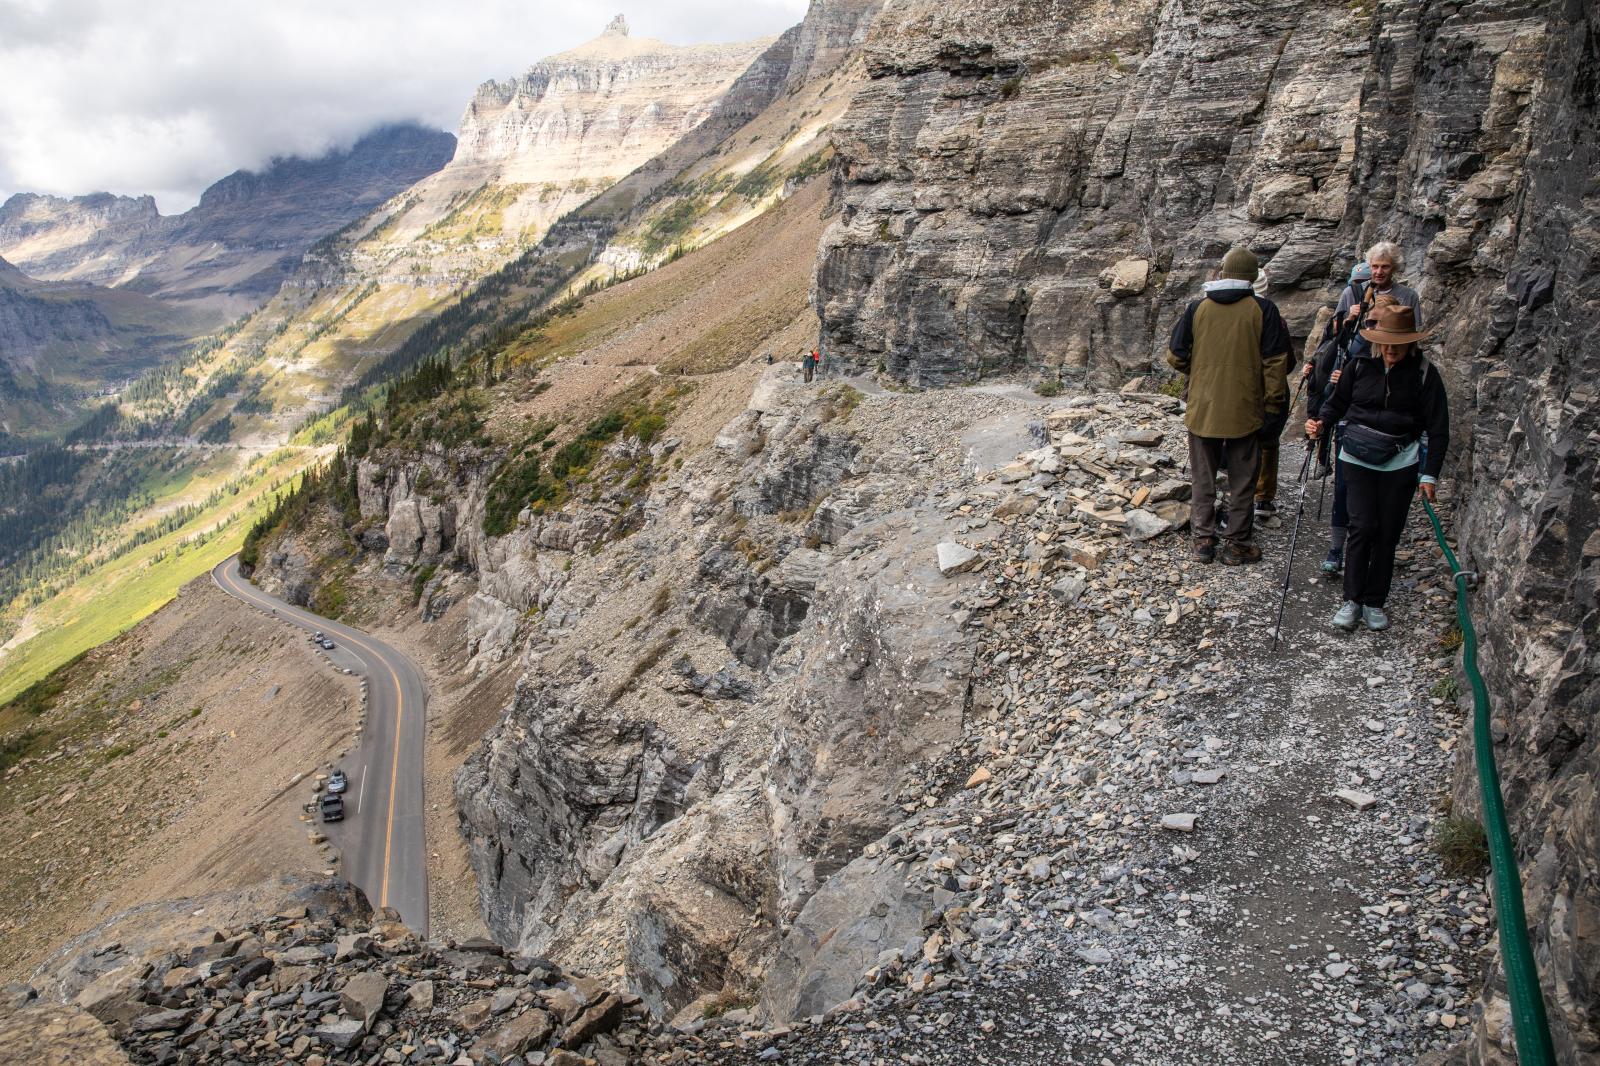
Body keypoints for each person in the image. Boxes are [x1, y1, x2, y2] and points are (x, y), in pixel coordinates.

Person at [1306, 305, 1448, 632]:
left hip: (1400, 461)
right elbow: (1336, 403)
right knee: (1362, 525)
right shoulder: (1359, 367)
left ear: (1411, 343)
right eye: (1385, 342)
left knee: (1387, 533)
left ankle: (1374, 602)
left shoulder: (1424, 374)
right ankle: (1352, 599)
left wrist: (1430, 474)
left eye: (1398, 344)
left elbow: (1438, 427)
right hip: (1355, 458)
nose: (1391, 349)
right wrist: (1322, 422)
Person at [1167, 247, 1292, 565]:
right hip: (1245, 410)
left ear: (1223, 274)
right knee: (1243, 479)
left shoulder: (1197, 308)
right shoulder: (1264, 310)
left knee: (1203, 478)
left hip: (1203, 408)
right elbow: (1275, 363)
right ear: (1252, 278)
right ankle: (1236, 544)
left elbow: (1176, 355)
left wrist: (1203, 373)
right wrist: (1273, 405)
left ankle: (1203, 541)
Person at [1308, 293, 1400, 573]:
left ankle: (1363, 550)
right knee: (1344, 489)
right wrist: (1321, 419)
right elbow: (1329, 380)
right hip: (1349, 428)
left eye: (1377, 324)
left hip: (1383, 441)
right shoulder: (1351, 339)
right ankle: (1338, 548)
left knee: (1371, 497)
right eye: (1370, 322)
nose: (1372, 329)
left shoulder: (1406, 365)